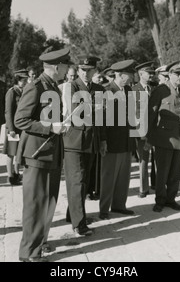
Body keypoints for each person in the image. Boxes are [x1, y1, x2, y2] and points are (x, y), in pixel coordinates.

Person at [14, 48, 70, 262]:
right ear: (57, 67)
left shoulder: (52, 86)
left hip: (51, 154)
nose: (67, 69)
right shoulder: (35, 87)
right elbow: (21, 120)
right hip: (37, 155)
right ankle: (28, 253)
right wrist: (50, 128)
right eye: (65, 65)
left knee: (48, 203)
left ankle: (40, 242)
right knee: (36, 205)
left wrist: (59, 127)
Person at [63, 55, 107, 236]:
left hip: (91, 141)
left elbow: (103, 117)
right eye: (82, 70)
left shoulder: (99, 88)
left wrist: (103, 140)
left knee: (84, 182)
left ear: (95, 71)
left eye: (89, 70)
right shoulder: (72, 86)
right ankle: (78, 225)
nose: (86, 73)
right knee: (77, 182)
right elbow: (76, 112)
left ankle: (72, 215)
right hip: (74, 141)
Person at [145, 61, 180, 213]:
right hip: (164, 138)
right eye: (177, 74)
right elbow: (151, 115)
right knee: (162, 171)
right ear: (170, 74)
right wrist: (149, 138)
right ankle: (160, 200)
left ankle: (171, 199)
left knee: (176, 171)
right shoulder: (161, 90)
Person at [99, 60, 136, 220]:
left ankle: (119, 205)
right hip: (112, 142)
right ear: (120, 75)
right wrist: (103, 140)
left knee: (123, 176)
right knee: (109, 177)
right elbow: (101, 120)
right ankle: (104, 209)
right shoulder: (107, 91)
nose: (132, 76)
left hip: (126, 141)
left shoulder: (128, 90)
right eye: (130, 74)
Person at [132, 61, 156, 198]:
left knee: (157, 160)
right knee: (143, 160)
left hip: (155, 129)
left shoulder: (155, 88)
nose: (152, 75)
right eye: (149, 73)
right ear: (141, 74)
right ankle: (143, 188)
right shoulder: (134, 90)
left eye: (153, 73)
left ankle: (156, 184)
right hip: (141, 130)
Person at [3, 69, 28, 186]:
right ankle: (10, 176)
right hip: (13, 128)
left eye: (25, 80)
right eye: (22, 80)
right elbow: (8, 112)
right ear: (17, 80)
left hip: (21, 127)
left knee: (19, 152)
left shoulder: (23, 92)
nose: (25, 82)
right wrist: (11, 129)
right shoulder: (11, 92)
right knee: (11, 153)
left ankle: (17, 173)